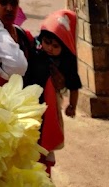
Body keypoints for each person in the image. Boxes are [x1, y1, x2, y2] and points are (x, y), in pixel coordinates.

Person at [34, 10, 81, 178]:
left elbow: (74, 86)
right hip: (36, 101)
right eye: (47, 43)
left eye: (56, 46)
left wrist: (72, 106)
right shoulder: (36, 52)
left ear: (64, 48)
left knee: (48, 137)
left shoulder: (67, 65)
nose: (50, 49)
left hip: (53, 103)